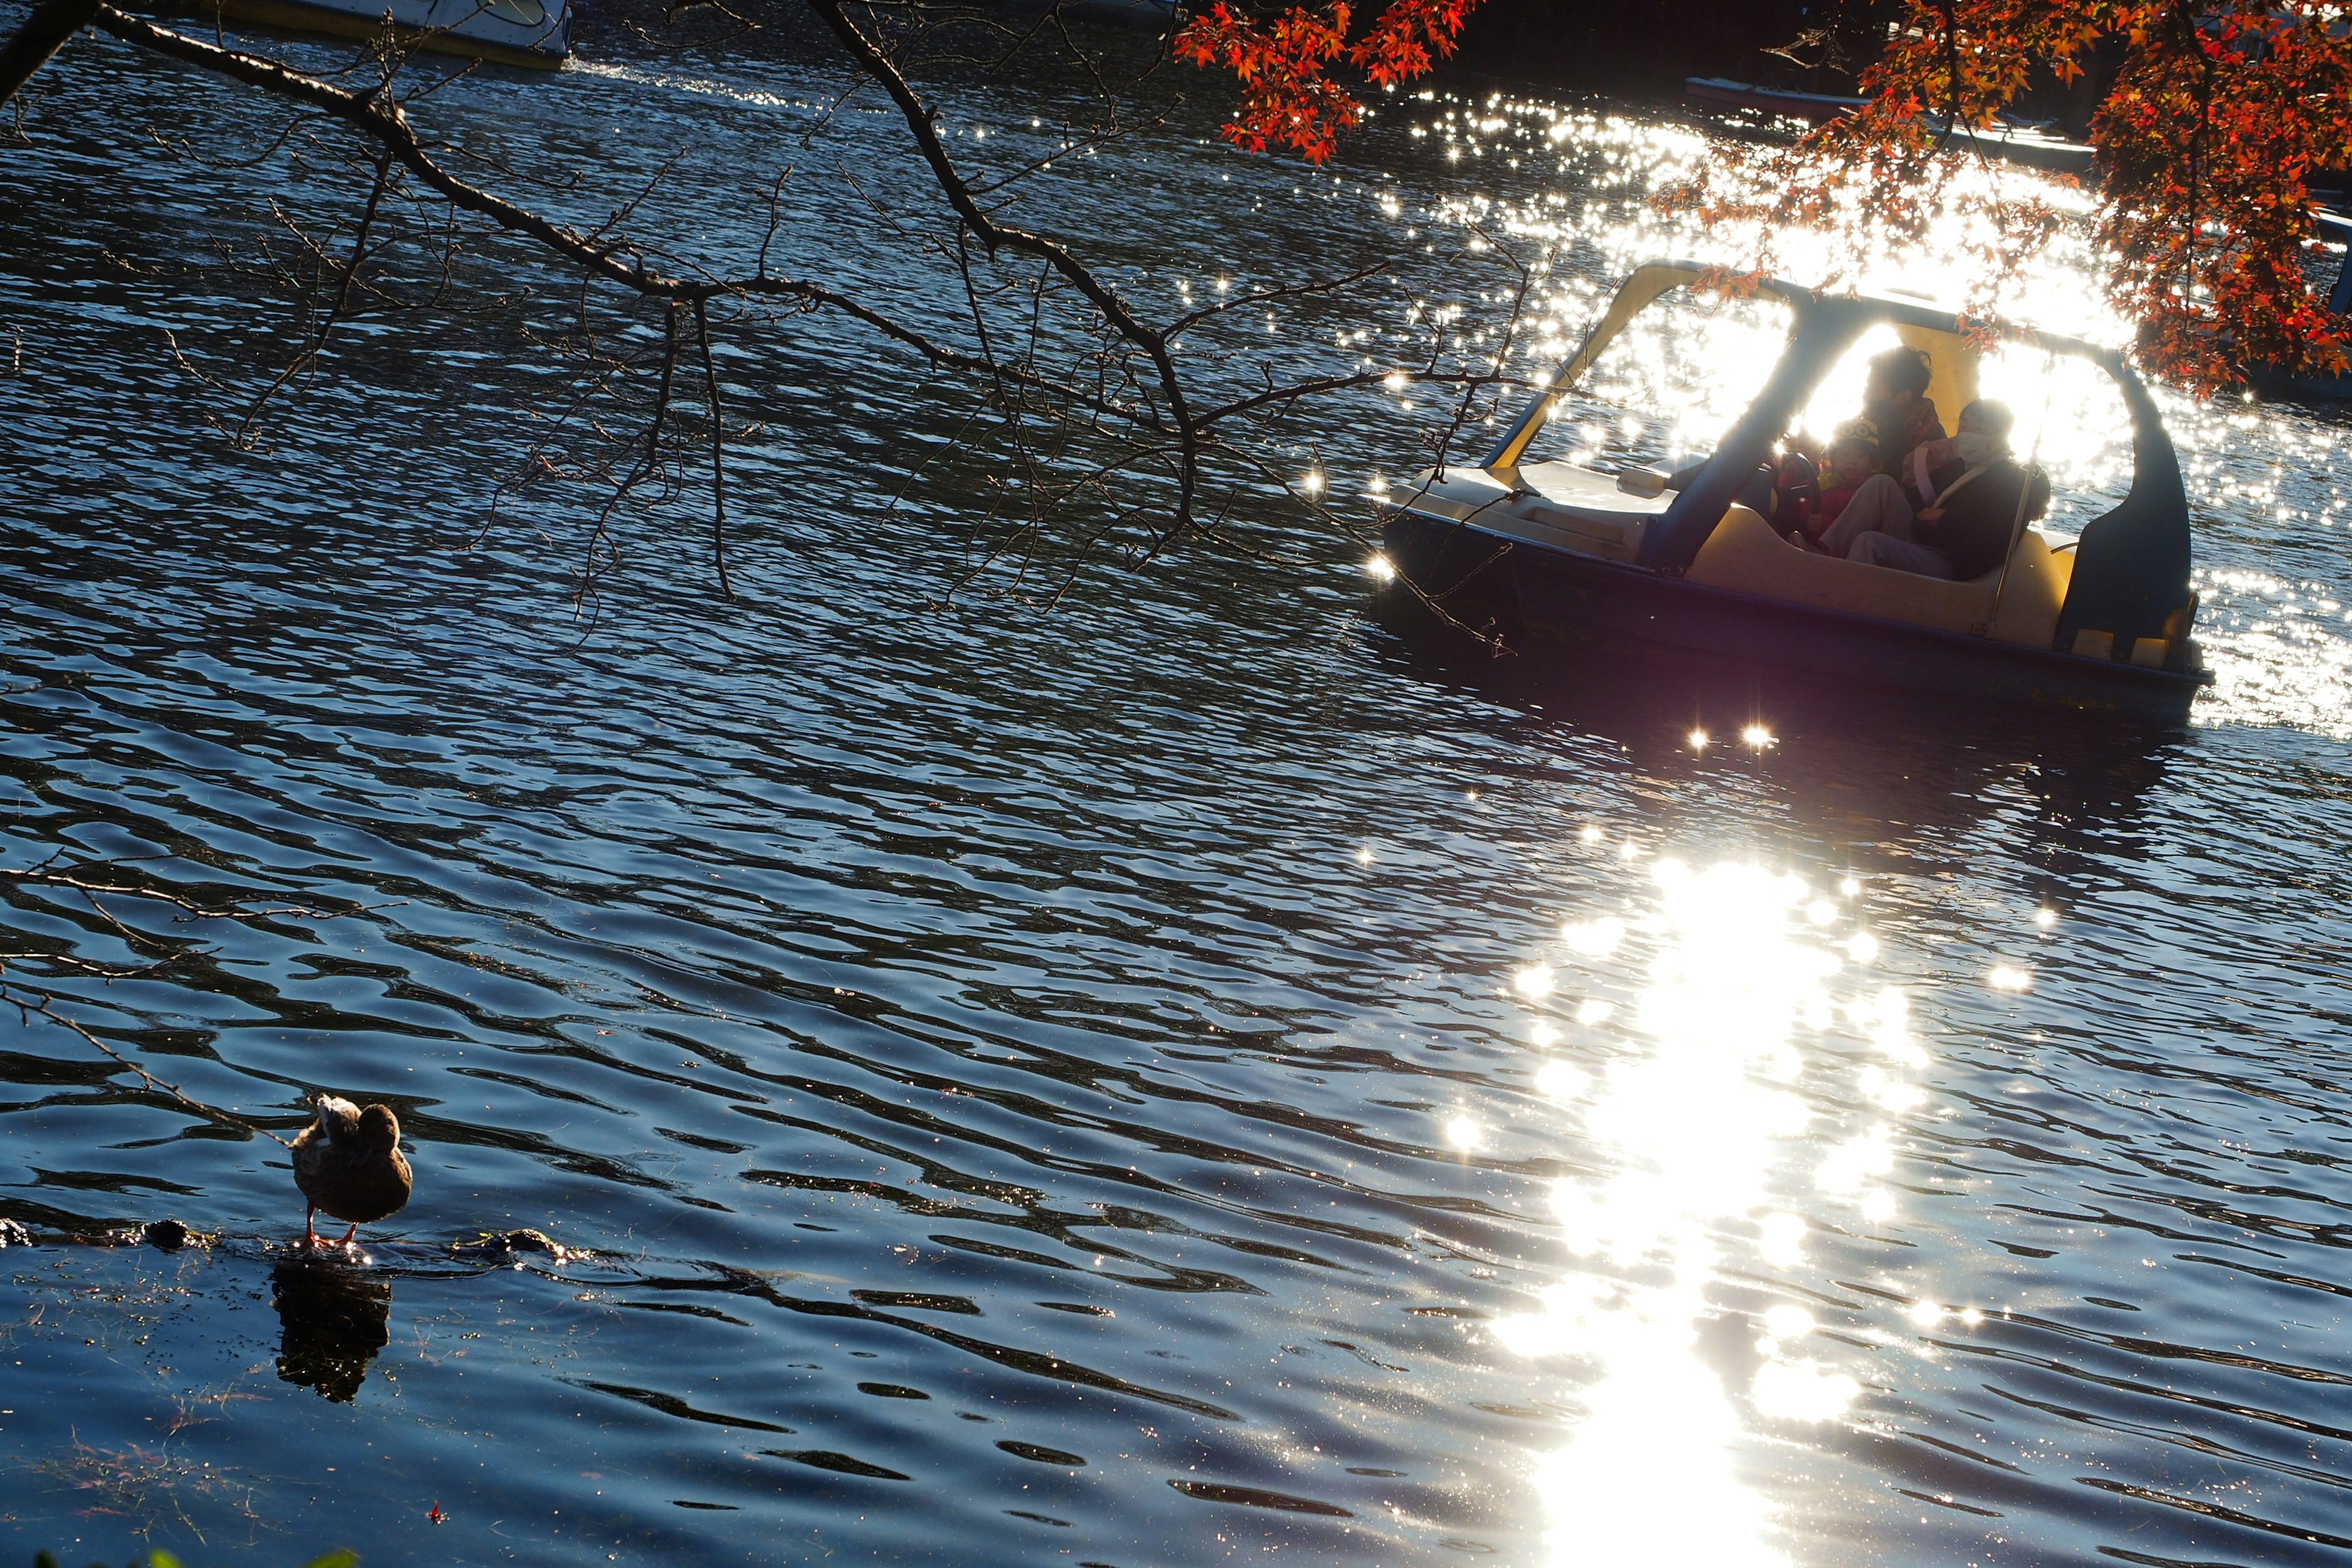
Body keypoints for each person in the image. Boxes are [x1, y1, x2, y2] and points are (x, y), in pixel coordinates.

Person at [1817, 399, 2049, 578]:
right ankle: (1824, 551)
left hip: (1952, 560)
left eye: (1977, 430)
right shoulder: (1959, 465)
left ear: (1999, 438)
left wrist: (1944, 518)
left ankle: (1838, 594)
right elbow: (1919, 503)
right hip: (1924, 539)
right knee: (1882, 483)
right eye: (1963, 426)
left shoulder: (2012, 481)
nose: (1965, 435)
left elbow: (1993, 538)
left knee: (1870, 542)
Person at [1861, 345, 1941, 476]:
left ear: (1903, 396)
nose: (1865, 396)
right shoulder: (1866, 431)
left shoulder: (1932, 447)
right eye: (1867, 387)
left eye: (1873, 388)